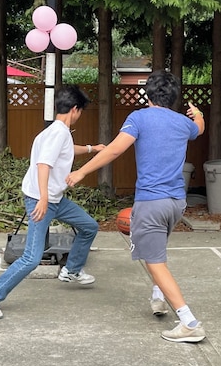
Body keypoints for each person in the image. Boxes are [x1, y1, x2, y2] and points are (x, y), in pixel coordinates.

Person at [65, 70, 206, 343]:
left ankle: (189, 321)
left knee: (153, 261)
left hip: (151, 203)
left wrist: (82, 173)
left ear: (148, 95)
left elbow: (115, 150)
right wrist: (197, 113)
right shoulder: (182, 123)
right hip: (176, 203)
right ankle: (158, 296)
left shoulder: (139, 118)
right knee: (158, 252)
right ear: (174, 98)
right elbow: (199, 128)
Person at [0, 85, 105, 320]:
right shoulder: (58, 133)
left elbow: (66, 152)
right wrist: (44, 199)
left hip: (54, 199)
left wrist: (92, 148)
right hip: (41, 200)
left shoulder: (57, 132)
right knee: (31, 258)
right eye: (81, 112)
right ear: (75, 110)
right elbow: (43, 165)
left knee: (89, 226)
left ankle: (71, 270)